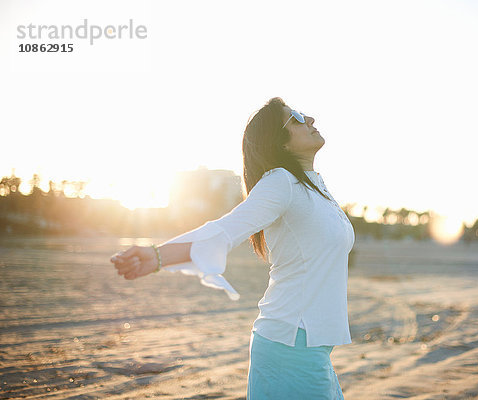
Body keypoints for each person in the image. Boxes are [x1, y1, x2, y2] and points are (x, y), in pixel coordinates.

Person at [110, 97, 355, 399]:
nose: (310, 119)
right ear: (279, 143)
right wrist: (158, 255)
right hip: (290, 345)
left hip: (310, 345)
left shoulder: (315, 186)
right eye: (295, 117)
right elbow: (226, 229)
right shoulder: (281, 182)